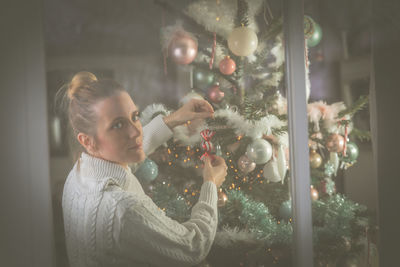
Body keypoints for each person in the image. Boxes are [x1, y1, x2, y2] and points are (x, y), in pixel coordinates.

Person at [60, 72, 227, 267]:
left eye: (135, 116)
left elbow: (129, 149)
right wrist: (210, 185)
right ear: (87, 141)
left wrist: (174, 119)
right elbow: (192, 246)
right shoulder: (123, 209)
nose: (136, 131)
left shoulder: (78, 175)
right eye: (118, 125)